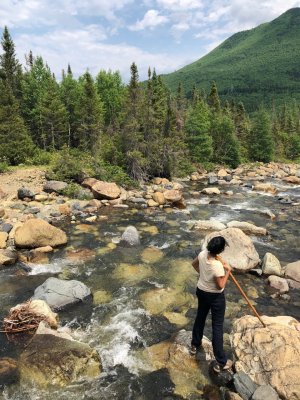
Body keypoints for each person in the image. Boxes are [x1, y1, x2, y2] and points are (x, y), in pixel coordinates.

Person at [190, 235, 233, 372]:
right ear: (220, 250)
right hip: (215, 297)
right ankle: (221, 362)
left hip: (201, 291)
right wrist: (228, 270)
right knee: (217, 327)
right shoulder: (217, 266)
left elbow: (193, 264)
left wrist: (203, 275)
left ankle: (194, 345)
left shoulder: (202, 254)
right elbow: (220, 286)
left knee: (200, 317)